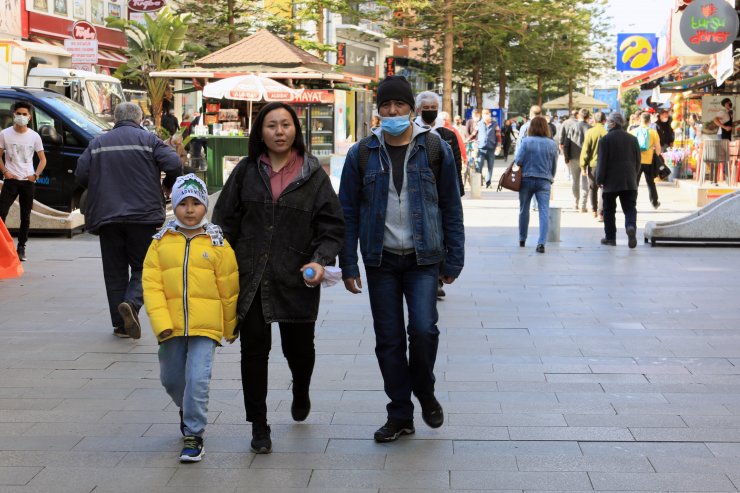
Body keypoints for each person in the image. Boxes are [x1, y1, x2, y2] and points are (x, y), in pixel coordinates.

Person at [212, 102, 344, 455]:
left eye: (286, 124)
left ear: (295, 130)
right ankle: (259, 424)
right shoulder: (245, 172)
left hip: (296, 278)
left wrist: (319, 261)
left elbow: (331, 227)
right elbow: (223, 222)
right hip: (251, 276)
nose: (280, 131)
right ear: (261, 132)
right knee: (254, 349)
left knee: (298, 350)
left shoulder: (314, 175)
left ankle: (301, 387)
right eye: (272, 125)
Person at [338, 75, 464, 443]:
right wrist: (348, 264)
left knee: (423, 330)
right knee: (389, 339)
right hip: (381, 260)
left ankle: (423, 390)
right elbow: (348, 212)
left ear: (411, 108)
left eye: (399, 105)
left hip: (424, 259)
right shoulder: (361, 153)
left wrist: (453, 259)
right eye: (386, 106)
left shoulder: (435, 148)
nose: (392, 111)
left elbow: (450, 206)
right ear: (378, 111)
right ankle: (400, 413)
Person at [142, 173, 238, 463]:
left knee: (198, 379)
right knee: (171, 379)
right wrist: (161, 324)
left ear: (205, 205)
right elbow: (152, 284)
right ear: (174, 204)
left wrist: (230, 326)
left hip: (205, 328)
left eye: (196, 202)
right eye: (183, 202)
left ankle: (194, 434)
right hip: (170, 326)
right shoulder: (160, 242)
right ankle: (186, 409)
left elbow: (229, 286)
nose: (190, 208)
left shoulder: (217, 241)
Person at [75, 102, 182, 339]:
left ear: (115, 118)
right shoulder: (149, 140)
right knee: (145, 267)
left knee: (114, 272)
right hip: (143, 216)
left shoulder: (98, 142)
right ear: (139, 118)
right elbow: (174, 163)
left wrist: (100, 188)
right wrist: (167, 184)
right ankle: (132, 304)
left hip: (107, 216)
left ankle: (120, 325)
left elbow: (81, 173)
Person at [0, 101, 46, 262]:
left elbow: (42, 159)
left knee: (25, 217)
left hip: (27, 181)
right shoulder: (5, 134)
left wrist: (36, 175)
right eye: (18, 113)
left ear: (29, 116)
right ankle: (3, 247)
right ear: (13, 114)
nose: (21, 116)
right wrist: (5, 171)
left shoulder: (34, 136)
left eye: (24, 114)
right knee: (1, 213)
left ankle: (21, 248)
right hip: (10, 181)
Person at [595, 112, 641, 248]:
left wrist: (599, 179)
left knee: (609, 210)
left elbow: (601, 162)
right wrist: (634, 175)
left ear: (613, 123)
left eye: (608, 121)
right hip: (629, 180)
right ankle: (630, 226)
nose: (606, 124)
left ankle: (610, 238)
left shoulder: (605, 140)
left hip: (611, 181)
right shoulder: (633, 139)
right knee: (630, 208)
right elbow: (638, 161)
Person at [514, 116, 558, 254]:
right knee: (544, 211)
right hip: (544, 180)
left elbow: (518, 160)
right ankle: (541, 243)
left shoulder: (526, 142)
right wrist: (550, 177)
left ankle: (522, 238)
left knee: (524, 209)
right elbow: (554, 165)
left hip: (526, 179)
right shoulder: (552, 144)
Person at [580, 111, 608, 220]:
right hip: (605, 165)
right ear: (605, 121)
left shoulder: (590, 132)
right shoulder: (607, 132)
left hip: (592, 165)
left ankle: (594, 210)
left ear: (594, 121)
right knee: (603, 188)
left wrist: (583, 166)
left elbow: (585, 151)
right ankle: (601, 213)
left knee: (592, 188)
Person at [631, 112, 661, 209]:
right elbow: (658, 148)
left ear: (640, 119)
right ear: (649, 121)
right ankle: (654, 202)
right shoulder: (653, 132)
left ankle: (632, 203)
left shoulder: (633, 131)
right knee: (650, 182)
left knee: (635, 182)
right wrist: (656, 156)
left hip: (636, 161)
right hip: (649, 161)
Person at [564, 109, 591, 211]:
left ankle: (575, 202)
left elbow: (567, 143)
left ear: (579, 116)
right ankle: (583, 205)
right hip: (587, 159)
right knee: (585, 181)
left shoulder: (572, 127)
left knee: (575, 181)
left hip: (574, 157)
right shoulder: (590, 128)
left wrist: (567, 157)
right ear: (588, 117)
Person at [477, 110, 500, 188]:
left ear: (490, 115)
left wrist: (498, 146)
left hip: (491, 148)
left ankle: (488, 182)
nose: (486, 115)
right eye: (484, 114)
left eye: (487, 114)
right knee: (479, 165)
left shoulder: (495, 124)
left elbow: (498, 136)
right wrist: (466, 140)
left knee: (490, 166)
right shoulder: (479, 124)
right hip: (481, 148)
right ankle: (479, 182)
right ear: (482, 115)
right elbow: (474, 134)